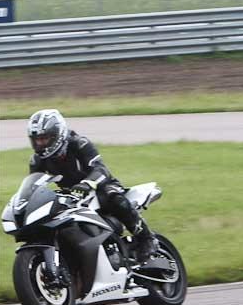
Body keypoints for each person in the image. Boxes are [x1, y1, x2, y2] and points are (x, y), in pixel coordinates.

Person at [26, 109, 159, 262]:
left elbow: (101, 169)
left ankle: (147, 238)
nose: (40, 143)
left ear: (57, 134)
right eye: (36, 140)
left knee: (113, 197)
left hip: (100, 187)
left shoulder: (79, 143)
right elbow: (35, 184)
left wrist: (87, 184)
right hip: (72, 196)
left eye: (44, 139)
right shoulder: (37, 160)